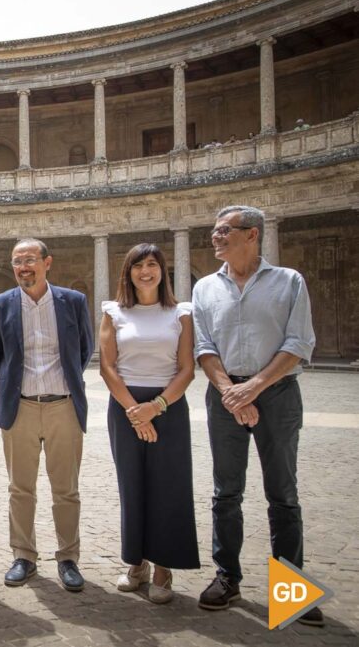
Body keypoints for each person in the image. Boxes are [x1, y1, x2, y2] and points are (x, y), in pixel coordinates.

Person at [193, 206, 322, 627]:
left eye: (223, 231)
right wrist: (233, 391)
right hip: (225, 394)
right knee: (225, 493)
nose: (215, 237)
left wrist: (255, 387)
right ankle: (227, 577)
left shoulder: (288, 282)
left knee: (283, 494)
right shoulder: (205, 288)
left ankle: (291, 592)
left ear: (252, 235)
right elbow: (203, 347)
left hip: (278, 393)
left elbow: (299, 342)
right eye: (214, 231)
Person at [0, 238, 93, 592]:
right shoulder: (0, 305)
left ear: (48, 262)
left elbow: (84, 349)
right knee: (20, 488)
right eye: (17, 261)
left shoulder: (73, 301)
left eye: (30, 259)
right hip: (21, 406)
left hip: (63, 404)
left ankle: (68, 557)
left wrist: (62, 383)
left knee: (67, 490)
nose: (23, 267)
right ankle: (24, 556)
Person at [99, 244, 198, 604]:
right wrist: (133, 410)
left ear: (163, 270)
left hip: (168, 404)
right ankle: (136, 564)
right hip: (125, 406)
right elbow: (107, 367)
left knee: (168, 488)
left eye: (152, 264)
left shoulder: (181, 312)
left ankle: (163, 568)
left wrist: (154, 407)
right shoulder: (113, 311)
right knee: (132, 485)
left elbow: (187, 368)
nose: (145, 271)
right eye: (138, 265)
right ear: (127, 272)